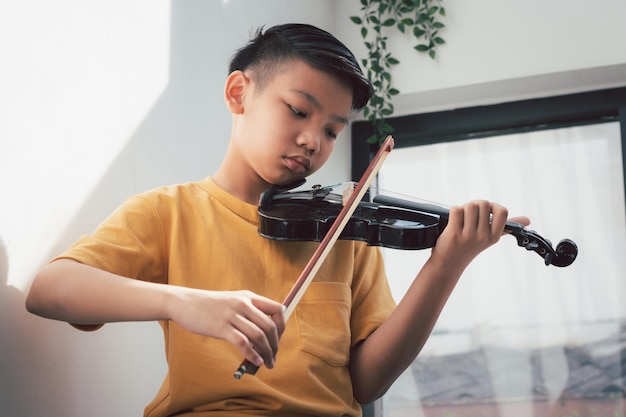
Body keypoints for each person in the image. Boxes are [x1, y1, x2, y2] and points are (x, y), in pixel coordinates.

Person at [25, 23, 529, 417]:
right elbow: (51, 289)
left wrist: (445, 267)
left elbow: (367, 382)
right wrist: (185, 304)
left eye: (332, 130)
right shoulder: (169, 212)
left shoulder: (343, 234)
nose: (314, 141)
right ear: (239, 94)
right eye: (297, 111)